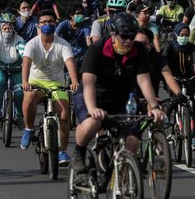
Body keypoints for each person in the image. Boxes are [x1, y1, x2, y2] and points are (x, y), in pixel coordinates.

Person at [70, 13, 166, 172]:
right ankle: (78, 152)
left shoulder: (139, 50)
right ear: (113, 34)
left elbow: (143, 80)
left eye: (132, 36)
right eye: (124, 36)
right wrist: (93, 108)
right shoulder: (97, 49)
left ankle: (123, 181)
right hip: (92, 97)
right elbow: (88, 83)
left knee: (132, 142)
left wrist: (154, 106)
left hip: (120, 98)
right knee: (91, 123)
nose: (128, 41)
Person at [20, 9, 78, 166]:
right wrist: (25, 81)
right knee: (30, 95)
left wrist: (74, 81)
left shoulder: (63, 44)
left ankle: (62, 151)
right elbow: (26, 63)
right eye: (44, 22)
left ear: (55, 23)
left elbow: (70, 63)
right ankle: (29, 129)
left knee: (65, 115)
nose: (47, 24)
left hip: (57, 83)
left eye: (50, 22)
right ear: (38, 25)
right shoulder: (32, 43)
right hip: (36, 82)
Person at [161, 23, 195, 151]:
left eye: (187, 35)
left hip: (189, 79)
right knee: (175, 100)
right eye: (181, 35)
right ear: (176, 35)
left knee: (191, 107)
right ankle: (167, 122)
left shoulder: (191, 47)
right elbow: (164, 59)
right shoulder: (169, 46)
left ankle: (194, 138)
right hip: (174, 79)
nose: (184, 37)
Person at [55, 4, 91, 70]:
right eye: (77, 13)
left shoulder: (85, 27)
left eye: (81, 13)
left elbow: (88, 40)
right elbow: (55, 36)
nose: (80, 15)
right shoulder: (64, 24)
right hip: (66, 54)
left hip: (80, 56)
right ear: (71, 15)